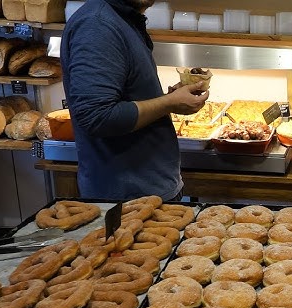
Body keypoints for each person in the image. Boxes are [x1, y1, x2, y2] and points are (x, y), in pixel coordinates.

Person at [60, 0, 209, 201]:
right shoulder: (98, 25)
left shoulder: (121, 19)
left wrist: (169, 99)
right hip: (127, 200)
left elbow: (125, 99)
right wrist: (169, 103)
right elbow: (97, 116)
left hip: (147, 191)